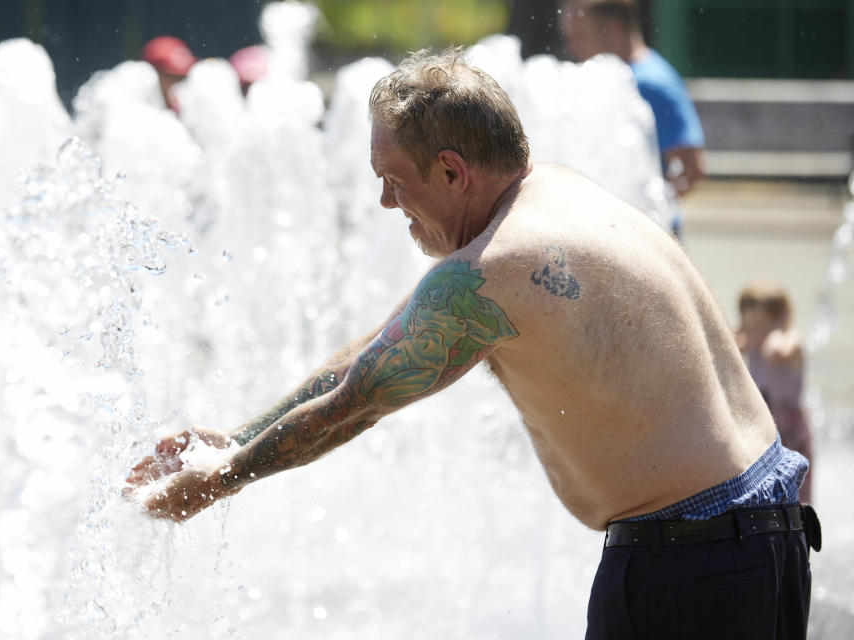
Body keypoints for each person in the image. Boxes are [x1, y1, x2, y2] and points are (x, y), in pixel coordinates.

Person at [126, 49, 818, 637]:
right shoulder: (554, 196)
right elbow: (376, 350)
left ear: (453, 173)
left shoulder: (497, 272)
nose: (386, 205)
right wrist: (236, 436)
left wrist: (221, 479)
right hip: (760, 540)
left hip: (692, 568)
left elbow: (357, 402)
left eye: (393, 182)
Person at [560, 0, 706, 238]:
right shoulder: (605, 78)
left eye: (580, 35)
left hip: (649, 234)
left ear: (614, 29)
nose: (572, 47)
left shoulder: (652, 83)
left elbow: (693, 166)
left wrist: (644, 209)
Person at [737, 281, 814, 504]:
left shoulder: (791, 340)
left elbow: (777, 353)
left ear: (782, 319)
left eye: (762, 325)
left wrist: (769, 336)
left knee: (799, 494)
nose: (755, 332)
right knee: (765, 489)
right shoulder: (750, 342)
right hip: (763, 427)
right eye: (749, 324)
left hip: (791, 428)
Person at [141, 35, 198, 113]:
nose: (176, 83)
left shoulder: (187, 110)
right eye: (170, 77)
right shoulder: (137, 111)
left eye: (182, 78)